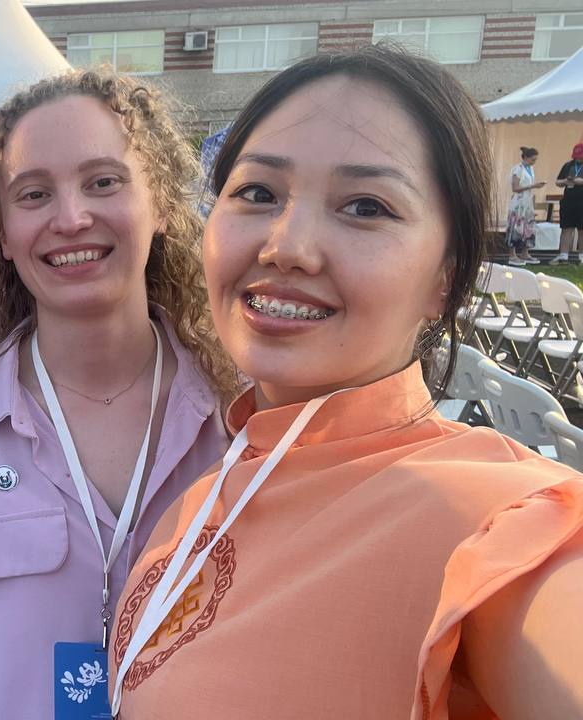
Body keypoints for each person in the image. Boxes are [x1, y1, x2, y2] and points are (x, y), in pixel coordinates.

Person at [109, 45, 583, 719]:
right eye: (258, 193)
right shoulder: (222, 472)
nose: (286, 247)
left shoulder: (497, 521)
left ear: (446, 277)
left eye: (365, 206)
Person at [0, 70, 239, 719]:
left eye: (103, 182)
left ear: (163, 203)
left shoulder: (243, 418)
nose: (72, 217)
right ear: (2, 233)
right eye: (34, 194)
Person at [507, 146, 545, 265]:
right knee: (516, 227)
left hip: (527, 202)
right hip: (519, 203)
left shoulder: (530, 169)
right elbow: (515, 188)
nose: (534, 162)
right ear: (526, 157)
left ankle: (525, 253)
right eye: (533, 159)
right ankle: (512, 255)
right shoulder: (517, 169)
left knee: (528, 227)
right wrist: (533, 186)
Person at [556, 142, 583, 265]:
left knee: (581, 229)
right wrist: (565, 181)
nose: (578, 159)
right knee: (566, 228)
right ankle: (563, 254)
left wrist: (579, 181)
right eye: (576, 156)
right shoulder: (568, 165)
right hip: (568, 200)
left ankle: (581, 255)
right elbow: (557, 182)